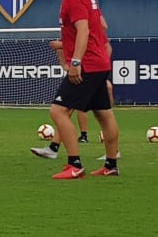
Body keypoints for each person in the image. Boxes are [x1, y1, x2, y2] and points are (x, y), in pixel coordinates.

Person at [45, 0, 121, 179]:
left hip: (86, 64)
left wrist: (75, 62)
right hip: (99, 62)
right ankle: (111, 165)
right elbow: (96, 28)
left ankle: (74, 165)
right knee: (104, 114)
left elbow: (84, 30)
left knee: (58, 111)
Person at [32, 31, 119, 161]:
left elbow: (106, 46)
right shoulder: (77, 30)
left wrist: (63, 48)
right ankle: (111, 158)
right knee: (95, 112)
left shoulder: (85, 26)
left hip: (89, 69)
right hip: (91, 69)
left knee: (62, 110)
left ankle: (71, 159)